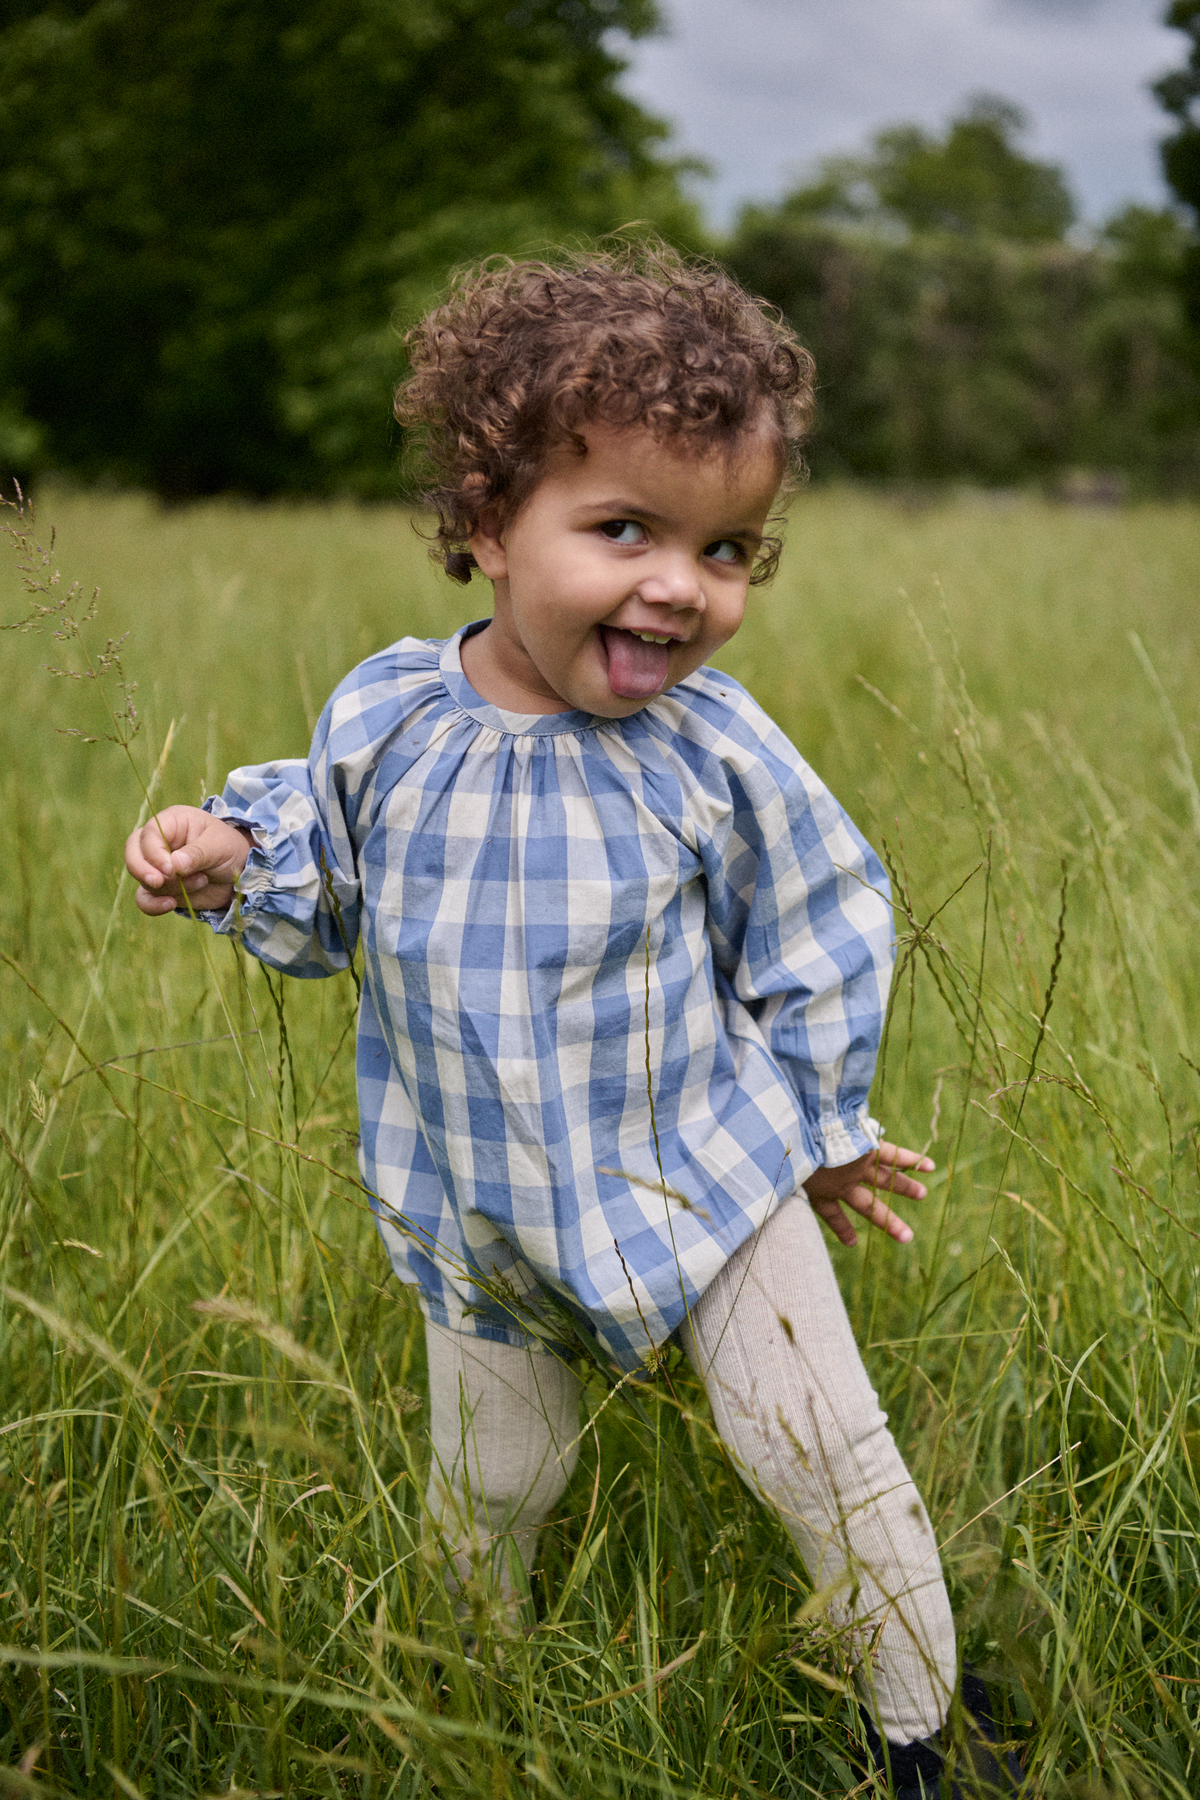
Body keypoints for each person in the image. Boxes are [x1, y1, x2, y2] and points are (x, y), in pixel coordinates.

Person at [124, 244, 1024, 1797]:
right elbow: (325, 889)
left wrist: (818, 1132)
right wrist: (228, 863)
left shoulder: (710, 748)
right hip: (481, 1203)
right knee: (493, 1485)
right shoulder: (387, 719)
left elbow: (823, 927)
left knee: (817, 1447)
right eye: (625, 529)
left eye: (727, 548)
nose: (682, 584)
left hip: (711, 1177)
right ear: (488, 523)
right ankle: (477, 1712)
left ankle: (927, 1731)